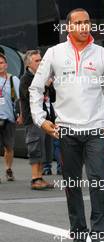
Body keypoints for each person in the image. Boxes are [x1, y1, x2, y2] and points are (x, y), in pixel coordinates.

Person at [29, 8, 104, 242]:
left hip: (96, 131)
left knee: (99, 184)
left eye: (87, 23)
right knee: (72, 186)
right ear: (69, 27)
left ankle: (101, 239)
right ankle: (79, 234)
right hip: (66, 132)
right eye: (79, 23)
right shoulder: (54, 54)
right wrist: (41, 120)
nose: (84, 26)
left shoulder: (103, 54)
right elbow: (36, 88)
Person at [19, 50, 54, 190]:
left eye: (41, 60)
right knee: (35, 148)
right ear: (28, 64)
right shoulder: (25, 79)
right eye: (37, 61)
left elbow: (53, 97)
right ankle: (35, 179)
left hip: (45, 118)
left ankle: (40, 177)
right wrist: (45, 85)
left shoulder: (42, 76)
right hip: (33, 120)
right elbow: (29, 96)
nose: (41, 63)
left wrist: (50, 86)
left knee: (44, 149)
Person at [0, 52, 21, 182]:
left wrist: (21, 115)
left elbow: (19, 100)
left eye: (2, 62)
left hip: (9, 118)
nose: (0, 65)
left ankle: (8, 169)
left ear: (6, 65)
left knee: (9, 147)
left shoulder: (13, 79)